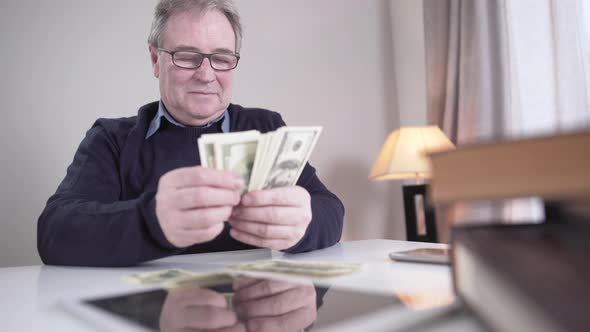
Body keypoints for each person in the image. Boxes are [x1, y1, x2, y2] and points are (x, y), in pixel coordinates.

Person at [37, 0, 344, 267]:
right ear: (156, 60)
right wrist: (151, 221)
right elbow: (55, 232)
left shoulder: (266, 128)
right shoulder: (112, 139)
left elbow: (330, 209)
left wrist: (305, 224)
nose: (206, 74)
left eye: (222, 58)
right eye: (187, 56)